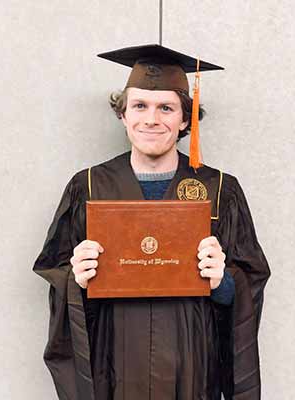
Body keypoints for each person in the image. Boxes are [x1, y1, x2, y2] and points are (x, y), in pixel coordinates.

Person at [33, 44, 270, 400]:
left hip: (193, 367)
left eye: (166, 108)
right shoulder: (88, 186)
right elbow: (58, 275)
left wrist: (224, 281)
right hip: (114, 367)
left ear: (185, 119)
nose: (151, 119)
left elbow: (248, 281)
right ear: (123, 115)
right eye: (140, 106)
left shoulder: (220, 189)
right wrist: (76, 280)